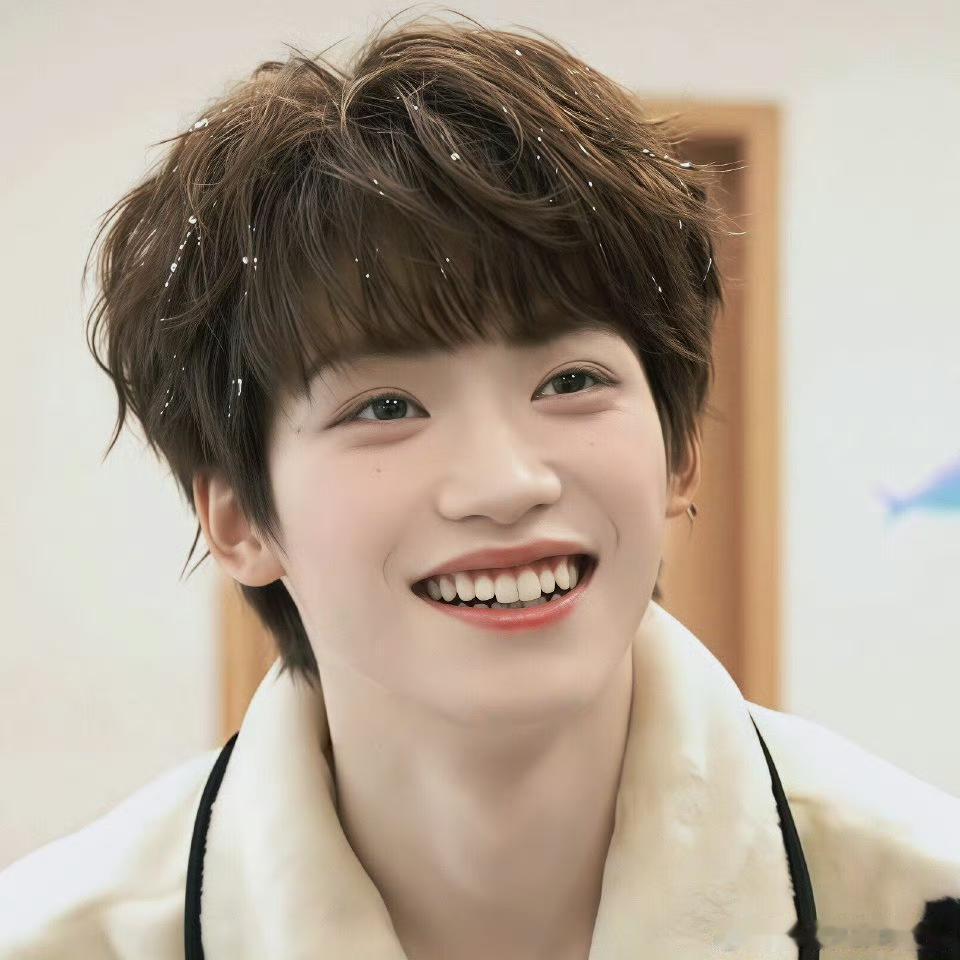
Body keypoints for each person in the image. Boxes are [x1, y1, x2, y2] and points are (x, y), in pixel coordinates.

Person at [2, 11, 959, 960]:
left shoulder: (923, 898)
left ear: (679, 453)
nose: (507, 484)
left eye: (571, 382)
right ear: (239, 519)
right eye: (386, 407)